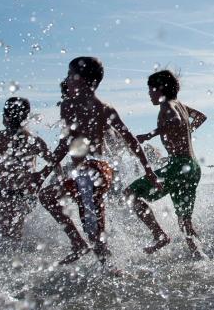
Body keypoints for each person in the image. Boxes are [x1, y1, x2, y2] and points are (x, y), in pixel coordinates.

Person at [38, 57, 161, 265]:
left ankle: (112, 272)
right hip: (97, 172)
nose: (67, 79)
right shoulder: (104, 107)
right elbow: (131, 140)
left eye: (70, 74)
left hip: (91, 172)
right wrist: (148, 170)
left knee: (94, 231)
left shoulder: (71, 106)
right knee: (49, 197)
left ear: (84, 79)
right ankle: (80, 245)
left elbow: (66, 144)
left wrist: (41, 173)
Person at [126, 70, 207, 256]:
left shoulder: (167, 105)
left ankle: (159, 235)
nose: (149, 94)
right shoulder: (180, 105)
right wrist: (185, 133)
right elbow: (201, 117)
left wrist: (149, 135)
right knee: (185, 222)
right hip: (192, 167)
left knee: (130, 193)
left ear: (160, 89)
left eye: (150, 90)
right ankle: (200, 255)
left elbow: (175, 121)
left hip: (178, 166)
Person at [0, 97, 53, 240]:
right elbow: (54, 162)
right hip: (28, 197)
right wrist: (47, 179)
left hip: (8, 196)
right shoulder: (34, 139)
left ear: (6, 117)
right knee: (11, 236)